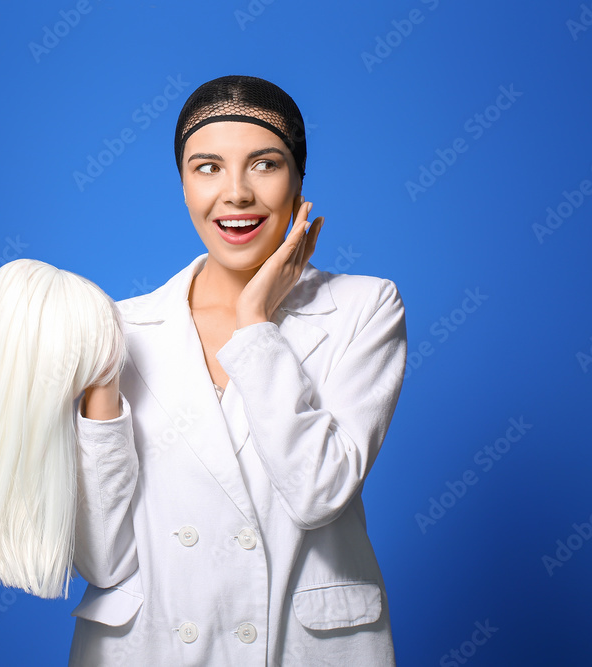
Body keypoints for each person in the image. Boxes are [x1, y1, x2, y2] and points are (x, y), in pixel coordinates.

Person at [67, 74, 407, 666]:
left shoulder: (364, 306)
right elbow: (100, 559)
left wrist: (255, 323)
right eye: (207, 167)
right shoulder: (115, 329)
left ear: (299, 179)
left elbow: (319, 491)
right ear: (182, 183)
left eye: (265, 164)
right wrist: (98, 391)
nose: (237, 193)